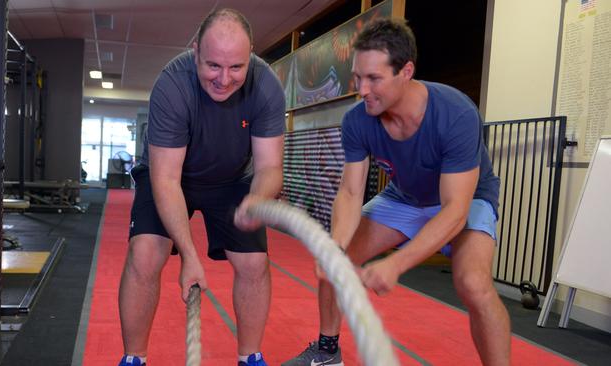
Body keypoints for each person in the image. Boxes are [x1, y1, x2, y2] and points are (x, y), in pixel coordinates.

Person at [284, 18, 510, 366]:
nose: (362, 90)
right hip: (405, 197)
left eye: (374, 79)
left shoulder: (456, 114)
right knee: (335, 259)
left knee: (474, 284)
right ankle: (328, 353)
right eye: (358, 77)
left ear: (406, 71)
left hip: (464, 199)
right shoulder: (358, 121)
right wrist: (338, 247)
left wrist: (396, 264)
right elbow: (349, 191)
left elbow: (454, 211)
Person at [118, 8, 285, 366]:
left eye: (236, 67)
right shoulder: (172, 85)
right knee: (145, 254)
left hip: (233, 179)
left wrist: (256, 200)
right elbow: (165, 179)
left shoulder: (267, 85)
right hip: (170, 175)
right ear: (195, 51)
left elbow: (270, 167)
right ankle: (134, 359)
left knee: (255, 262)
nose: (224, 79)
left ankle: (250, 358)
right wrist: (189, 255)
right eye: (213, 66)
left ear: (251, 54)